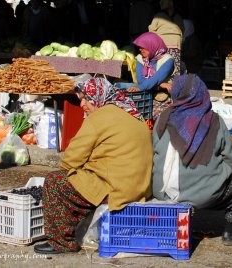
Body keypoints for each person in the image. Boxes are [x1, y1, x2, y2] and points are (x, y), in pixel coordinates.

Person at [34, 77, 153, 254]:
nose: (82, 104)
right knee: (81, 176)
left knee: (55, 182)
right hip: (140, 189)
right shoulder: (133, 113)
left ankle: (61, 243)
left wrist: (72, 171)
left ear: (99, 96)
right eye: (80, 99)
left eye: (86, 98)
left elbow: (71, 158)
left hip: (115, 190)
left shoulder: (100, 116)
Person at [152, 73, 232, 246]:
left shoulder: (162, 118)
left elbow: (155, 152)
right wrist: (217, 171)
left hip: (161, 192)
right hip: (202, 196)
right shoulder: (214, 121)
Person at [126, 32, 174, 121]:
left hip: (163, 96)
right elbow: (141, 80)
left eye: (143, 47)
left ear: (152, 45)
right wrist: (161, 84)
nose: (140, 49)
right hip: (145, 94)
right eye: (139, 47)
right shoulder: (140, 59)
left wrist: (144, 87)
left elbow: (157, 78)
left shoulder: (167, 60)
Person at [148, 0, 184, 75]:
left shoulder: (158, 16)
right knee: (175, 66)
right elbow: (182, 30)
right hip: (176, 44)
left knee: (162, 66)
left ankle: (162, 83)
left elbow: (151, 29)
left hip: (163, 44)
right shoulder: (178, 16)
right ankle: (175, 84)